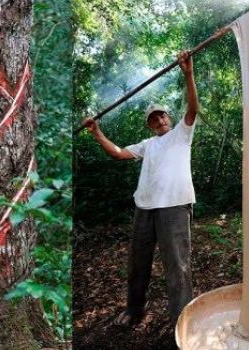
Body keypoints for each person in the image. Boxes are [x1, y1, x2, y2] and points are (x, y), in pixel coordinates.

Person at [82, 51, 199, 326]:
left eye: (162, 117)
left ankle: (182, 320)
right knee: (138, 263)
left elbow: (193, 109)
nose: (160, 121)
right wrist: (97, 132)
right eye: (154, 119)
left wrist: (188, 74)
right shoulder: (147, 145)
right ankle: (135, 308)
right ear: (149, 124)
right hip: (145, 207)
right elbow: (119, 153)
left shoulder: (182, 134)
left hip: (174, 205)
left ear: (169, 118)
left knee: (177, 265)